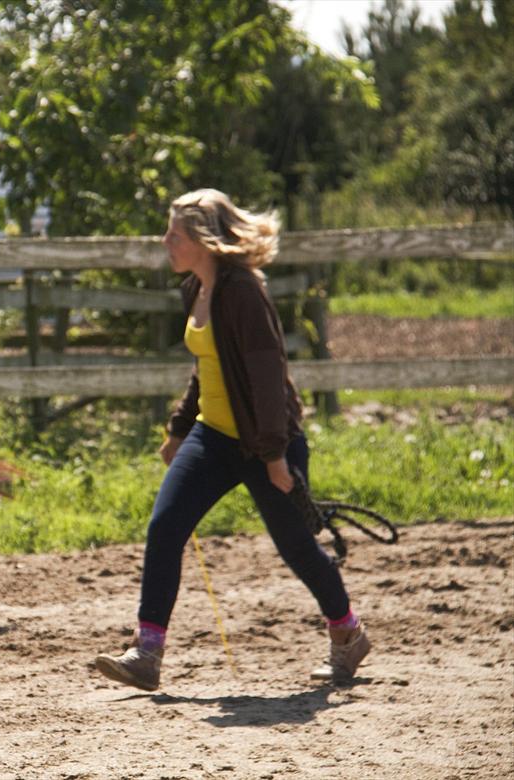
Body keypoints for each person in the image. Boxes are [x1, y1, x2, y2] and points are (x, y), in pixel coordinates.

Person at [94, 189, 369, 690]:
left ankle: (348, 636)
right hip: (212, 437)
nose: (166, 241)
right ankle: (147, 652)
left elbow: (267, 374)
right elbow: (208, 369)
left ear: (202, 239)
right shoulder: (195, 288)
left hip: (263, 441)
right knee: (165, 528)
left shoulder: (241, 290)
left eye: (174, 233)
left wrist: (274, 455)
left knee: (297, 548)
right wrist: (180, 429)